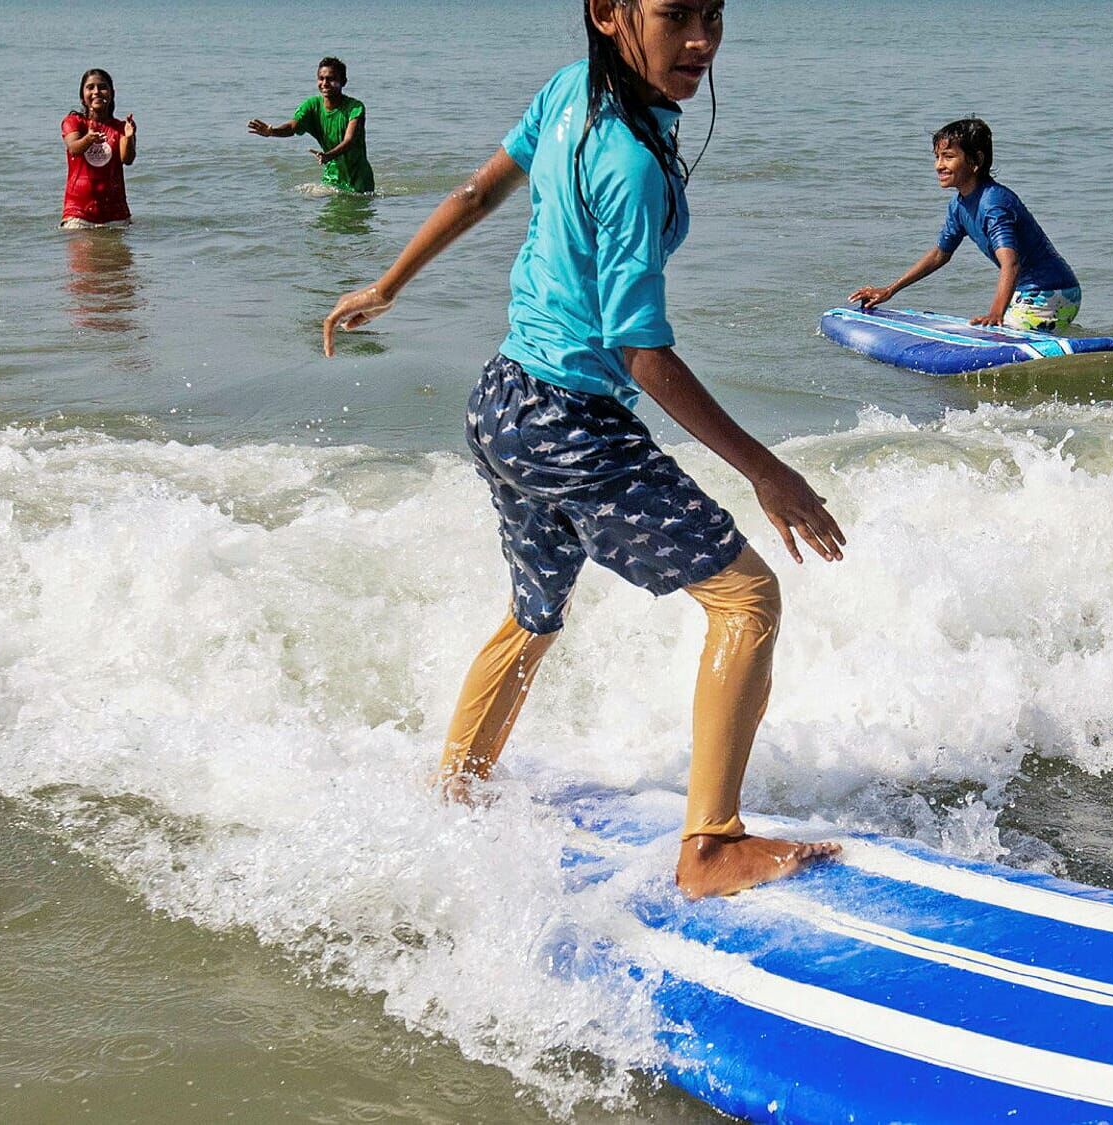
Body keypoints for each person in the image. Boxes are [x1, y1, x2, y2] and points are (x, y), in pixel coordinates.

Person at [321, 0, 845, 899]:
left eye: (714, 16)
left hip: (500, 404)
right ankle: (710, 846)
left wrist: (389, 282)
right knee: (748, 597)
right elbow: (640, 350)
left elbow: (478, 192)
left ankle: (457, 789)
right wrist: (768, 470)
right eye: (675, 15)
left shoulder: (572, 93)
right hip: (569, 422)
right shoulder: (634, 163)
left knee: (535, 611)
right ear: (607, 12)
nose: (700, 42)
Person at [849, 118, 1081, 331]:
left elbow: (1010, 263)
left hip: (1048, 290)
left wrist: (995, 314)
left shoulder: (993, 203)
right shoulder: (959, 205)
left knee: (999, 338)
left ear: (976, 161)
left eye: (948, 157)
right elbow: (940, 254)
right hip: (1037, 291)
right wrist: (891, 289)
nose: (938, 166)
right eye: (937, 157)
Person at [247, 57, 375, 194]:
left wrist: (328, 155)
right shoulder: (311, 106)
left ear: (343, 82)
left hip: (359, 180)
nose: (325, 83)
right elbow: (292, 127)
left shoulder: (355, 107)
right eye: (321, 78)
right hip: (331, 178)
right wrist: (271, 131)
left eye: (330, 79)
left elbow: (349, 140)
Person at [62, 68, 136, 228]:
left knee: (117, 254)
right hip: (78, 214)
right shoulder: (74, 122)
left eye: (102, 87)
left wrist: (129, 137)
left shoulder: (121, 127)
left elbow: (127, 159)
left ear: (111, 93)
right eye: (90, 87)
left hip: (116, 214)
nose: (96, 92)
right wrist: (88, 139)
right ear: (83, 97)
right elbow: (74, 148)